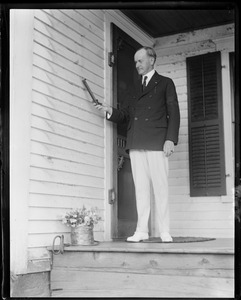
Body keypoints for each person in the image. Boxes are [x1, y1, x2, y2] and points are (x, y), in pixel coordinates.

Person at [94, 46, 180, 242]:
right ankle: (141, 230)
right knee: (140, 189)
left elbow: (174, 113)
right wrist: (109, 111)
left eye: (140, 60)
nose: (137, 65)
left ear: (152, 59)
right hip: (136, 142)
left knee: (160, 188)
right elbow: (124, 115)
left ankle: (164, 230)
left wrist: (170, 139)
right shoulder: (134, 89)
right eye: (135, 62)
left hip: (158, 142)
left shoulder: (166, 83)